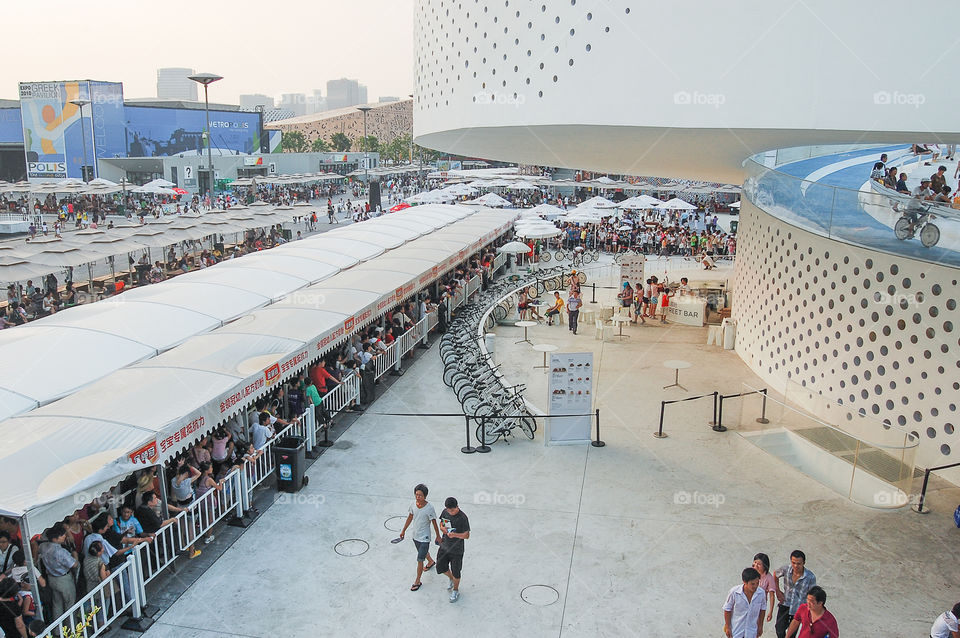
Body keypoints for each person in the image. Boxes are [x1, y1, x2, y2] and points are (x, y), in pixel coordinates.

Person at [398, 484, 441, 592]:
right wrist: (403, 530)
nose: (418, 497)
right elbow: (410, 517)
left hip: (425, 538)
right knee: (423, 553)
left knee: (420, 559)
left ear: (425, 496)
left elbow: (434, 522)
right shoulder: (413, 505)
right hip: (415, 536)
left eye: (420, 495)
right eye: (416, 495)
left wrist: (438, 536)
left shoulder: (429, 508)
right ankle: (431, 562)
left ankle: (417, 581)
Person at [38, 523, 77, 621]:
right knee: (70, 604)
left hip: (51, 578)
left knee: (57, 605)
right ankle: (72, 629)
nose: (64, 536)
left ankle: (57, 631)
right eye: (62, 535)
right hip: (64, 579)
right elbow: (74, 564)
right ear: (55, 539)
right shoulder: (61, 552)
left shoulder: (43, 546)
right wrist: (75, 555)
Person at [774, 550, 816, 638]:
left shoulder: (810, 577)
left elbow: (812, 594)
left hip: (798, 608)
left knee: (792, 633)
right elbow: (775, 574)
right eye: (793, 563)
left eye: (799, 563)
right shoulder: (786, 569)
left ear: (804, 563)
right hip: (785, 603)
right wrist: (777, 591)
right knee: (779, 628)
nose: (796, 566)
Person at [436, 496, 470, 603]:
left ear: (457, 507)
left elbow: (466, 535)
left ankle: (455, 590)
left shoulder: (463, 518)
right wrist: (442, 528)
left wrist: (454, 535)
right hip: (444, 546)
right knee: (440, 566)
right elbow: (441, 523)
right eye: (449, 510)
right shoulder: (445, 512)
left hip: (457, 550)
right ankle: (450, 578)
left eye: (453, 510)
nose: (451, 512)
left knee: (456, 572)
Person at [723, 566, 766, 638]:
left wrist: (760, 626)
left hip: (751, 631)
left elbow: (762, 610)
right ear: (745, 582)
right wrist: (727, 626)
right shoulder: (734, 592)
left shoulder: (761, 593)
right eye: (752, 584)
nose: (755, 586)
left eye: (757, 583)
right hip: (736, 630)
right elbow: (727, 609)